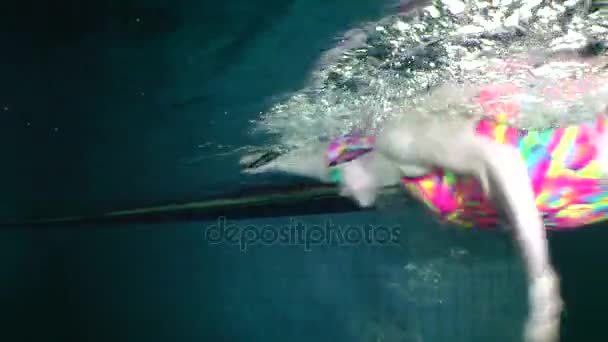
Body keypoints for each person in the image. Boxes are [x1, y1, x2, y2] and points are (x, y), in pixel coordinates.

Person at [241, 80, 608, 342]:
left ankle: (268, 161)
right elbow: (500, 159)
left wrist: (542, 286)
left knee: (350, 164)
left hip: (530, 164)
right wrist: (540, 283)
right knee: (327, 161)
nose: (354, 195)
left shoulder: (406, 147)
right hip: (502, 163)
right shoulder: (402, 141)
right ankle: (266, 161)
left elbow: (502, 159)